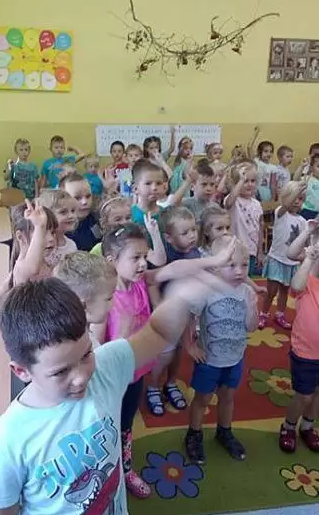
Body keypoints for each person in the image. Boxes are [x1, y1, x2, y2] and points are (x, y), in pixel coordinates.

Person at [0, 270, 225, 515]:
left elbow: (156, 332)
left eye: (86, 354)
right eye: (61, 372)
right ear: (21, 371)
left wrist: (181, 298)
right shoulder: (6, 441)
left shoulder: (105, 368)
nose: (81, 377)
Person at [184, 236, 258, 464]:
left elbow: (251, 327)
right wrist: (190, 345)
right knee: (203, 398)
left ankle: (224, 431)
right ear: (216, 266)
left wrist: (253, 306)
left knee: (228, 397)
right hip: (209, 359)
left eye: (244, 264)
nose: (239, 271)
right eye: (231, 265)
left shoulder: (246, 292)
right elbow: (189, 315)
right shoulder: (207, 290)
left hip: (235, 357)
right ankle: (194, 434)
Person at [102, 224, 160, 498]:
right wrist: (123, 333)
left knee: (126, 422)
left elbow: (173, 268)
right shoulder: (105, 298)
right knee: (108, 426)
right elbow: (99, 350)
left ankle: (125, 469)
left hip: (136, 373)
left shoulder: (139, 284)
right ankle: (105, 473)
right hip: (113, 379)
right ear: (111, 261)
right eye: (135, 257)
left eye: (144, 256)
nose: (143, 263)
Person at [144, 206, 200, 416]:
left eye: (193, 230)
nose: (192, 235)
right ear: (169, 237)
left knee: (178, 351)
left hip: (185, 313)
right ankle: (153, 386)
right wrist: (159, 307)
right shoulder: (165, 255)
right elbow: (153, 283)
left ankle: (171, 382)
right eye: (185, 233)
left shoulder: (195, 253)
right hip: (167, 314)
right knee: (164, 354)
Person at [279, 227, 319, 453]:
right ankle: (288, 426)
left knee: (318, 394)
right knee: (304, 395)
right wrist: (310, 257)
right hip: (306, 352)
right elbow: (295, 286)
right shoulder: (307, 279)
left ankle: (308, 426)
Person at [0, 200, 58, 318]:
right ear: (20, 237)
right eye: (43, 233)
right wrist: (39, 226)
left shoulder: (48, 264)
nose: (51, 238)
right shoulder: (22, 267)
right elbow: (33, 268)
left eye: (53, 232)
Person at [259, 181, 307, 330]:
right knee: (271, 291)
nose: (296, 201)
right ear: (285, 198)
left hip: (291, 263)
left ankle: (280, 314)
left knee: (284, 291)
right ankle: (263, 313)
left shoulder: (303, 221)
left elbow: (303, 243)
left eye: (300, 198)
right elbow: (285, 205)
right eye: (293, 197)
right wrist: (296, 191)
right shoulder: (280, 213)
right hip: (276, 259)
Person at [54, 251, 117, 348]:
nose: (113, 304)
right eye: (109, 298)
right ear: (82, 306)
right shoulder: (80, 349)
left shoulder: (85, 335)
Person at [90, 196, 166, 266]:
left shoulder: (136, 243)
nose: (124, 222)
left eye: (128, 218)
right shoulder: (98, 249)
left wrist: (154, 233)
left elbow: (159, 261)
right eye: (118, 219)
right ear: (105, 223)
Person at [224, 161, 264, 277]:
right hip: (234, 250)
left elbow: (260, 229)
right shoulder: (233, 200)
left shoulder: (257, 204)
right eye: (246, 181)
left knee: (247, 279)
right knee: (234, 278)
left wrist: (260, 252)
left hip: (251, 251)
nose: (249, 184)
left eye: (252, 181)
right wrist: (241, 180)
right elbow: (228, 203)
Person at [60, 173, 101, 251]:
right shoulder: (59, 230)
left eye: (88, 196)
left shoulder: (97, 218)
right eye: (77, 198)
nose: (84, 202)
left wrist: (110, 189)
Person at [38, 189, 78, 258]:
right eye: (63, 212)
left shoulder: (72, 245)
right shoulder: (42, 247)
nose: (71, 216)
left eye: (73, 211)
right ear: (47, 215)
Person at [183, 159, 216, 224]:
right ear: (192, 186)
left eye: (212, 184)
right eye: (204, 184)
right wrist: (187, 181)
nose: (209, 189)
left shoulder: (215, 207)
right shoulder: (186, 203)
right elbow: (174, 203)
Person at [300, 154, 319, 220]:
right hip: (307, 210)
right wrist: (301, 167)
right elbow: (295, 179)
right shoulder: (307, 178)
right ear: (311, 168)